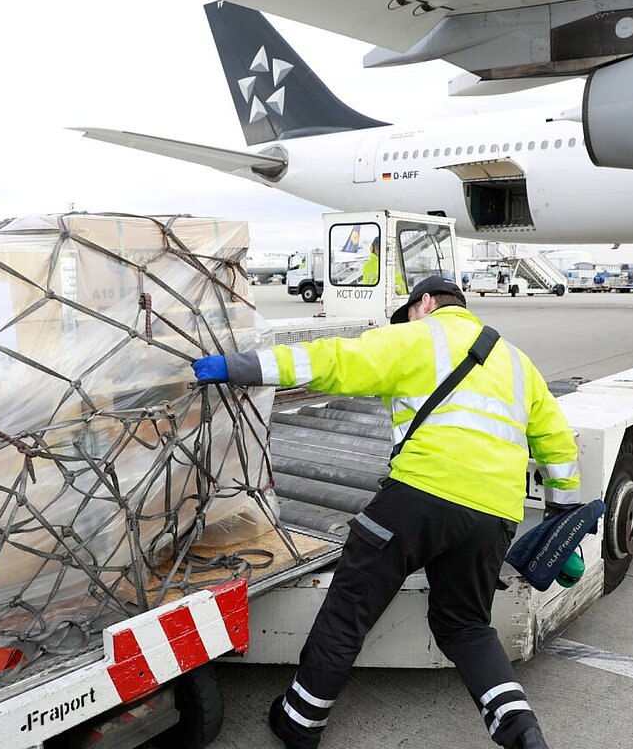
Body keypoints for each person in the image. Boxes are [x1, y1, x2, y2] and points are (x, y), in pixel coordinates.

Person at [191, 276, 581, 749]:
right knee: (466, 627)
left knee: (349, 610)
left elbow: (333, 361)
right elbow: (556, 443)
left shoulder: (420, 336)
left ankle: (298, 723)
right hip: (494, 512)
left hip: (418, 496)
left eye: (411, 311)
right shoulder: (518, 362)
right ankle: (523, 732)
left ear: (427, 303)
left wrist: (240, 366)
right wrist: (563, 513)